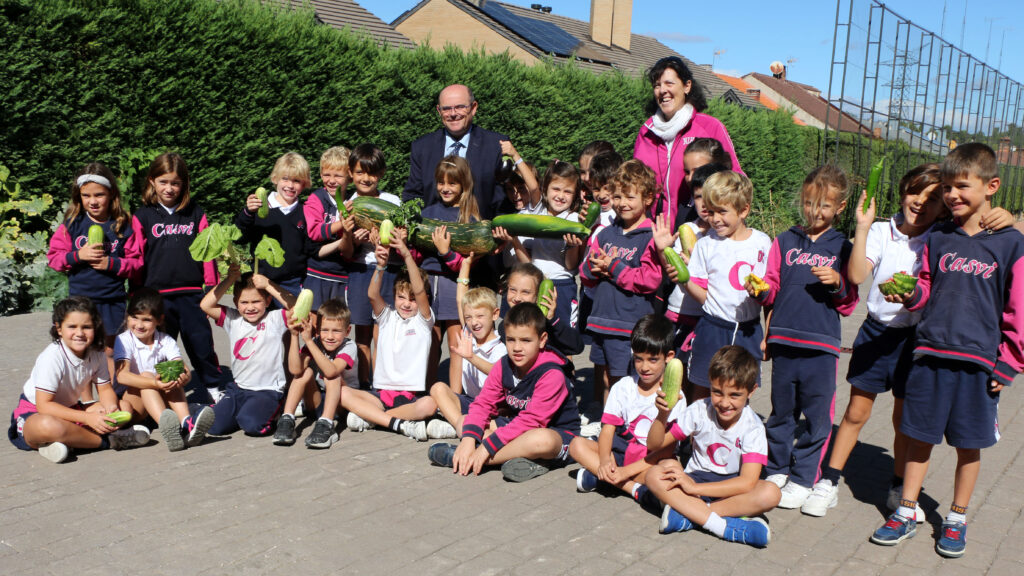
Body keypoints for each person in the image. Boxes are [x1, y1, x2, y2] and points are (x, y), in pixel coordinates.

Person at [804, 163, 1017, 518]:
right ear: (902, 191)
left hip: (918, 340)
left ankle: (899, 486)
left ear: (945, 206)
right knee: (856, 412)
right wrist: (859, 226)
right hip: (876, 333)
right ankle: (829, 480)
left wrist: (1007, 216)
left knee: (906, 420)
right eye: (916, 192)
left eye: (934, 198)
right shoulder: (880, 231)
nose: (922, 202)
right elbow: (856, 275)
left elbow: (999, 235)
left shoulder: (944, 234)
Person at [869, 143, 1024, 558]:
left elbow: (1018, 308)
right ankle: (905, 510)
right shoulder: (939, 236)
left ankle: (956, 518)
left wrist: (1010, 361)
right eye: (949, 188)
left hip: (978, 363)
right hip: (929, 355)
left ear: (991, 186)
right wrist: (911, 295)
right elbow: (927, 286)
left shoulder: (1010, 243)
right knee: (918, 438)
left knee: (967, 444)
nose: (953, 195)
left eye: (962, 186)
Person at [746, 165, 859, 510]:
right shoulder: (785, 239)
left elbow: (850, 303)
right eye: (809, 203)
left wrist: (837, 283)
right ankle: (778, 468)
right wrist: (761, 290)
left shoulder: (843, 247)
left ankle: (803, 477)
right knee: (781, 413)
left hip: (821, 346)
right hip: (783, 340)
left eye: (824, 206)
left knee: (817, 417)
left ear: (840, 208)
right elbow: (773, 286)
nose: (815, 212)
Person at [427, 303, 582, 482]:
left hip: (555, 435)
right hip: (517, 426)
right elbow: (483, 403)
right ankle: (513, 457)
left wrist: (485, 447)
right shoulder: (503, 365)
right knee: (466, 423)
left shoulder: (552, 374)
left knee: (541, 440)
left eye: (526, 340)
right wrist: (468, 439)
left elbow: (532, 421)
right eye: (511, 339)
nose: (517, 347)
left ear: (542, 339)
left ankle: (476, 459)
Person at [648, 346, 780, 548]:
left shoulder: (753, 427)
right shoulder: (700, 410)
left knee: (771, 493)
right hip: (695, 477)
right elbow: (654, 445)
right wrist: (663, 414)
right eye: (717, 392)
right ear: (709, 384)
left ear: (751, 390)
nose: (725, 403)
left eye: (734, 395)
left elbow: (746, 482)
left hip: (729, 488)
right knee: (653, 475)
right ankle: (725, 528)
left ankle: (690, 515)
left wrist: (694, 489)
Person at [125, 153, 223, 404]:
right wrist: (136, 293)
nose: (169, 188)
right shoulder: (142, 216)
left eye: (176, 183)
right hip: (156, 298)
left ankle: (213, 387)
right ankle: (159, 394)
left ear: (184, 185)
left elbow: (209, 252)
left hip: (191, 294)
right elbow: (135, 255)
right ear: (152, 182)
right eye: (163, 182)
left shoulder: (195, 213)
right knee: (158, 350)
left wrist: (211, 287)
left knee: (201, 344)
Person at [8, 296, 150, 463]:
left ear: (95, 328)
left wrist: (110, 408)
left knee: (124, 406)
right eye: (72, 326)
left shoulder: (97, 352)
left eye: (87, 327)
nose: (80, 333)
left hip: (70, 408)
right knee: (47, 426)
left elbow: (104, 389)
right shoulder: (52, 357)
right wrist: (88, 419)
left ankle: (66, 443)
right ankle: (110, 441)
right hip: (36, 413)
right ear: (59, 328)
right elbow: (44, 405)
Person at [669, 171, 771, 403]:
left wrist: (767, 333)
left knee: (740, 392)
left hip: (748, 331)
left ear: (743, 210)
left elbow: (771, 293)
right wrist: (685, 281)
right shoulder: (706, 245)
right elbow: (704, 296)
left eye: (722, 212)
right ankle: (695, 438)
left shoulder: (763, 242)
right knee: (702, 390)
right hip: (712, 328)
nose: (715, 219)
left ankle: (734, 437)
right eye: (710, 211)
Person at [47, 162, 138, 400]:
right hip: (81, 302)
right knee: (83, 351)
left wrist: (113, 264)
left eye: (99, 195)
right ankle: (87, 402)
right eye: (86, 196)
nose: (93, 201)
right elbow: (54, 259)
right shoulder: (72, 224)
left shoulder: (123, 224)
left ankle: (113, 399)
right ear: (79, 197)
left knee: (109, 351)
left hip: (112, 300)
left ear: (111, 195)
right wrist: (78, 255)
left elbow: (137, 263)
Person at [581, 160, 669, 402]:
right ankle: (606, 420)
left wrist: (614, 267)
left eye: (630, 197)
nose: (622, 203)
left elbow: (650, 280)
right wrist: (593, 268)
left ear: (648, 198)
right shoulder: (606, 233)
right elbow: (586, 276)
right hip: (602, 320)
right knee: (605, 376)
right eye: (617, 196)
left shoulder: (650, 236)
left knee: (625, 380)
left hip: (628, 324)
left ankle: (625, 426)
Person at [569, 315, 679, 510]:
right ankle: (634, 490)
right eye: (638, 359)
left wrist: (625, 471)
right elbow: (607, 429)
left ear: (668, 357)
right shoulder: (623, 387)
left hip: (651, 460)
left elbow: (667, 448)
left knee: (672, 472)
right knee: (576, 445)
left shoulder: (677, 397)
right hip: (621, 452)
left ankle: (600, 480)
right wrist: (603, 461)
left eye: (653, 360)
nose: (644, 367)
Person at [341, 232, 438, 441]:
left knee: (429, 404)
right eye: (401, 297)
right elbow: (372, 295)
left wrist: (406, 255)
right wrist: (380, 266)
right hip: (381, 394)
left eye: (412, 299)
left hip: (410, 398)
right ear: (394, 298)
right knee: (342, 393)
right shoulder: (387, 317)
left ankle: (374, 419)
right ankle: (397, 423)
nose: (406, 303)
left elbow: (420, 291)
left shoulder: (423, 320)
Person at [634, 57, 742, 224]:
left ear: (687, 86)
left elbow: (735, 180)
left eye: (669, 83)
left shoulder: (709, 127)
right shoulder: (646, 131)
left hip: (699, 232)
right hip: (652, 233)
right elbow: (634, 182)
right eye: (657, 85)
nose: (662, 90)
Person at [113, 288, 215, 452]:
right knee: (147, 376)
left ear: (159, 320)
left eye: (146, 320)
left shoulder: (165, 340)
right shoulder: (124, 340)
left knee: (173, 374)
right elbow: (122, 377)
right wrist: (154, 382)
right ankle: (169, 427)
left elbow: (183, 367)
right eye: (134, 318)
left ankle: (186, 423)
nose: (139, 325)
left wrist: (184, 377)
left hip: (157, 400)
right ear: (127, 316)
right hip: (132, 403)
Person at [495, 160, 585, 334]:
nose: (560, 196)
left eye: (568, 191)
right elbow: (527, 265)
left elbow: (571, 265)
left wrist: (572, 246)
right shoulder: (538, 215)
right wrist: (514, 240)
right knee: (529, 333)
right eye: (556, 189)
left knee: (562, 336)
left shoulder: (574, 220)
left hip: (562, 285)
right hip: (533, 283)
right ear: (546, 189)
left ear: (575, 195)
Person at [200, 268, 293, 436]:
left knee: (251, 425)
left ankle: (273, 413)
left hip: (267, 391)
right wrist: (229, 280)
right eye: (244, 302)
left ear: (267, 300)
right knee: (215, 427)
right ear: (236, 302)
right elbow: (205, 304)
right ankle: (227, 412)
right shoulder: (232, 319)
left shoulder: (275, 319)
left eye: (256, 301)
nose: (250, 308)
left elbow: (296, 307)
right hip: (238, 389)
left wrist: (268, 285)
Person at [665, 163, 726, 402]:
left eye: (708, 198)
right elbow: (673, 270)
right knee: (674, 371)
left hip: (703, 316)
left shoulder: (721, 236)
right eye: (697, 196)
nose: (702, 204)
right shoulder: (687, 229)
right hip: (679, 312)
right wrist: (665, 252)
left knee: (698, 376)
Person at [418, 156, 481, 385]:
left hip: (454, 284)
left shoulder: (469, 220)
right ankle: (428, 392)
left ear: (463, 184)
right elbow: (418, 254)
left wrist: (446, 253)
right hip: (427, 282)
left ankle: (454, 395)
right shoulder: (426, 214)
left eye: (452, 183)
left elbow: (467, 263)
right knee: (430, 342)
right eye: (441, 183)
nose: (445, 188)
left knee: (456, 342)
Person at [427, 255, 505, 440]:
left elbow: (499, 373)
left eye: (479, 316)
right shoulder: (469, 332)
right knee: (438, 388)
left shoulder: (501, 347)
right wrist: (466, 264)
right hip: (470, 401)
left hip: (493, 407)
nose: (473, 322)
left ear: (495, 314)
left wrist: (471, 357)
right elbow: (460, 296)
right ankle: (459, 426)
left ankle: (465, 427)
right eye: (468, 318)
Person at [403, 84, 507, 219]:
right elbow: (413, 196)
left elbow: (503, 200)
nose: (453, 114)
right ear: (439, 111)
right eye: (446, 108)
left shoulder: (496, 145)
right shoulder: (422, 147)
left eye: (460, 107)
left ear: (473, 107)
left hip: (480, 235)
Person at [345, 143, 401, 386]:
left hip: (388, 270)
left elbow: (402, 238)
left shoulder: (392, 201)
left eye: (371, 173)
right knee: (363, 333)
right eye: (359, 172)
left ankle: (383, 383)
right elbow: (346, 253)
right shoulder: (348, 204)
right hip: (359, 271)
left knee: (384, 331)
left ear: (381, 174)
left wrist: (386, 243)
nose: (365, 178)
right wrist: (351, 238)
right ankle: (364, 384)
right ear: (351, 173)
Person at [274, 299, 358, 449]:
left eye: (336, 331)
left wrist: (309, 341)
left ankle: (327, 424)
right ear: (317, 329)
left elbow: (331, 371)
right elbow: (295, 370)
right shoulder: (315, 341)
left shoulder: (349, 346)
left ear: (347, 331)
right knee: (304, 372)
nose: (330, 336)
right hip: (319, 401)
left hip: (343, 405)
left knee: (332, 376)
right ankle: (287, 419)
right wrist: (294, 336)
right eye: (325, 330)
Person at [238, 151, 315, 306]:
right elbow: (240, 237)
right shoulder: (259, 208)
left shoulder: (304, 211)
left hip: (292, 283)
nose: (290, 185)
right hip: (260, 282)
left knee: (290, 326)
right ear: (275, 179)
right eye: (285, 179)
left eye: (296, 181)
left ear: (305, 184)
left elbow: (309, 248)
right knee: (261, 327)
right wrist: (247, 213)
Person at [304, 146, 356, 311]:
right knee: (313, 319)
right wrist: (342, 223)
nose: (331, 180)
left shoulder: (354, 201)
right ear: (320, 175)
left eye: (338, 176)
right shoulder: (316, 199)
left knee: (335, 322)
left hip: (341, 273)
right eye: (326, 175)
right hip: (316, 272)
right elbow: (313, 231)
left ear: (350, 178)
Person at [500, 262, 584, 359]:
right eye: (513, 290)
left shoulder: (547, 325)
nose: (517, 297)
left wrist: (553, 320)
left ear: (538, 295)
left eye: (525, 292)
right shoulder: (504, 325)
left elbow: (577, 347)